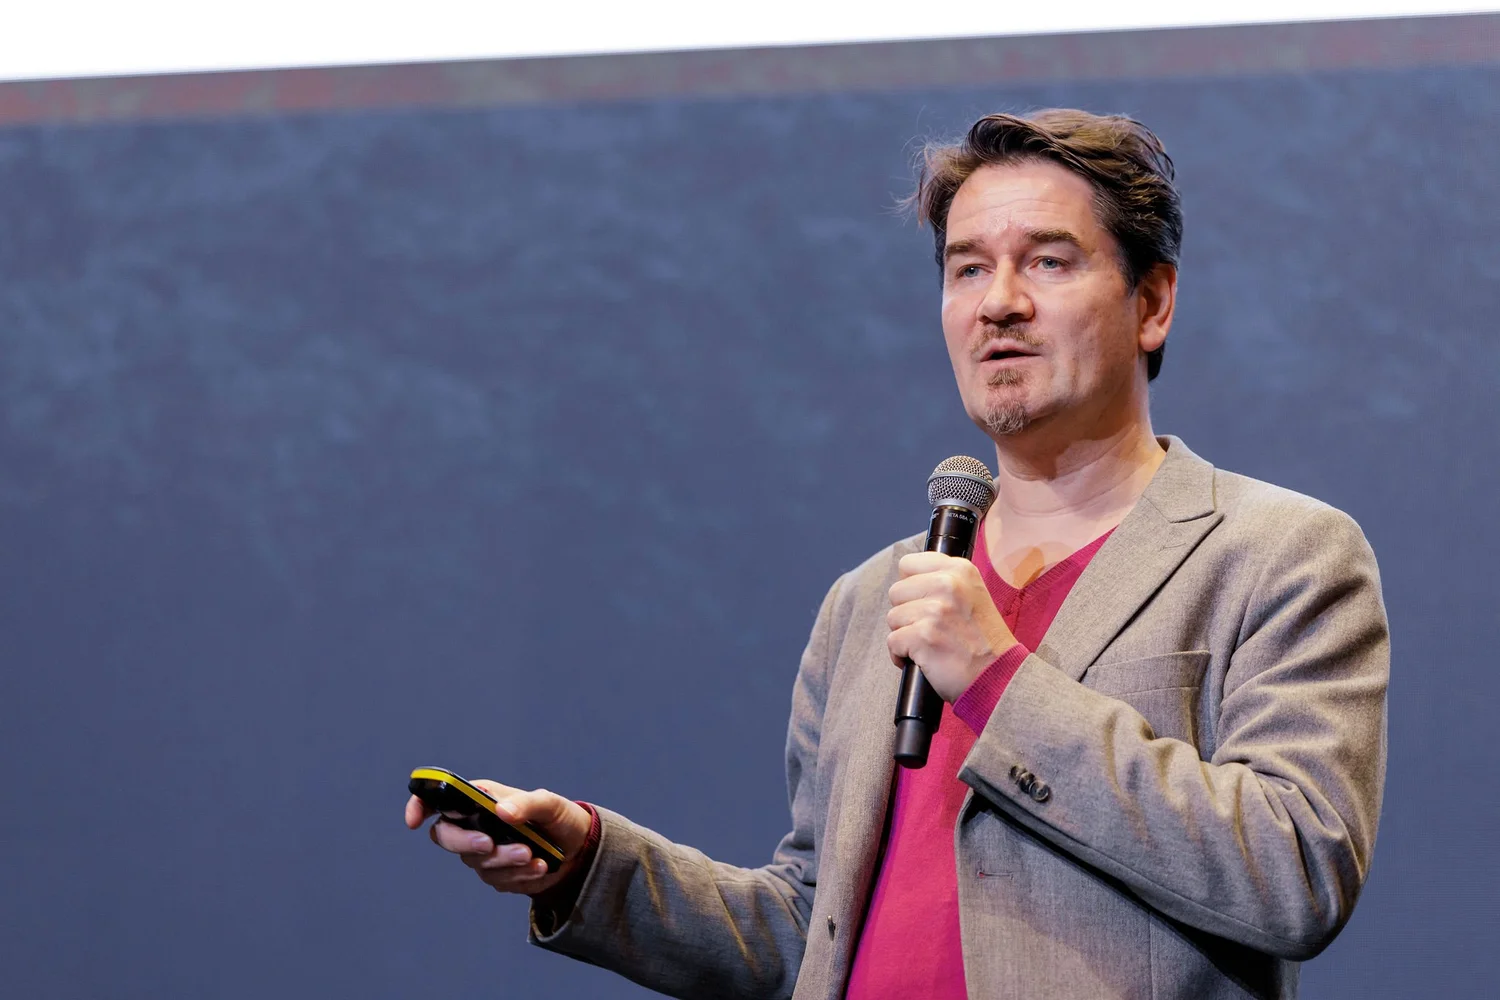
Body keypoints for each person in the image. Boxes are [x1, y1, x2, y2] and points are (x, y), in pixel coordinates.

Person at [404, 109, 1389, 1000]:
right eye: (968, 269)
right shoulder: (871, 598)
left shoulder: (1276, 554)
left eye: (1048, 262)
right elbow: (808, 929)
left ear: (1153, 302)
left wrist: (999, 681)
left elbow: (1295, 870)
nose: (999, 303)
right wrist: (588, 861)